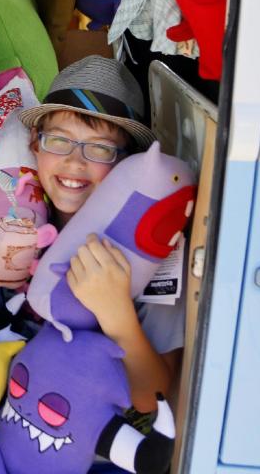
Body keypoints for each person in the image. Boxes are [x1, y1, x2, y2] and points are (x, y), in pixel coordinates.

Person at [18, 55, 184, 414]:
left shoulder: (153, 244)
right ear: (35, 143)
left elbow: (152, 398)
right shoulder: (18, 212)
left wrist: (116, 312)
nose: (75, 163)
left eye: (100, 149)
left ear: (130, 163)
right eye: (59, 141)